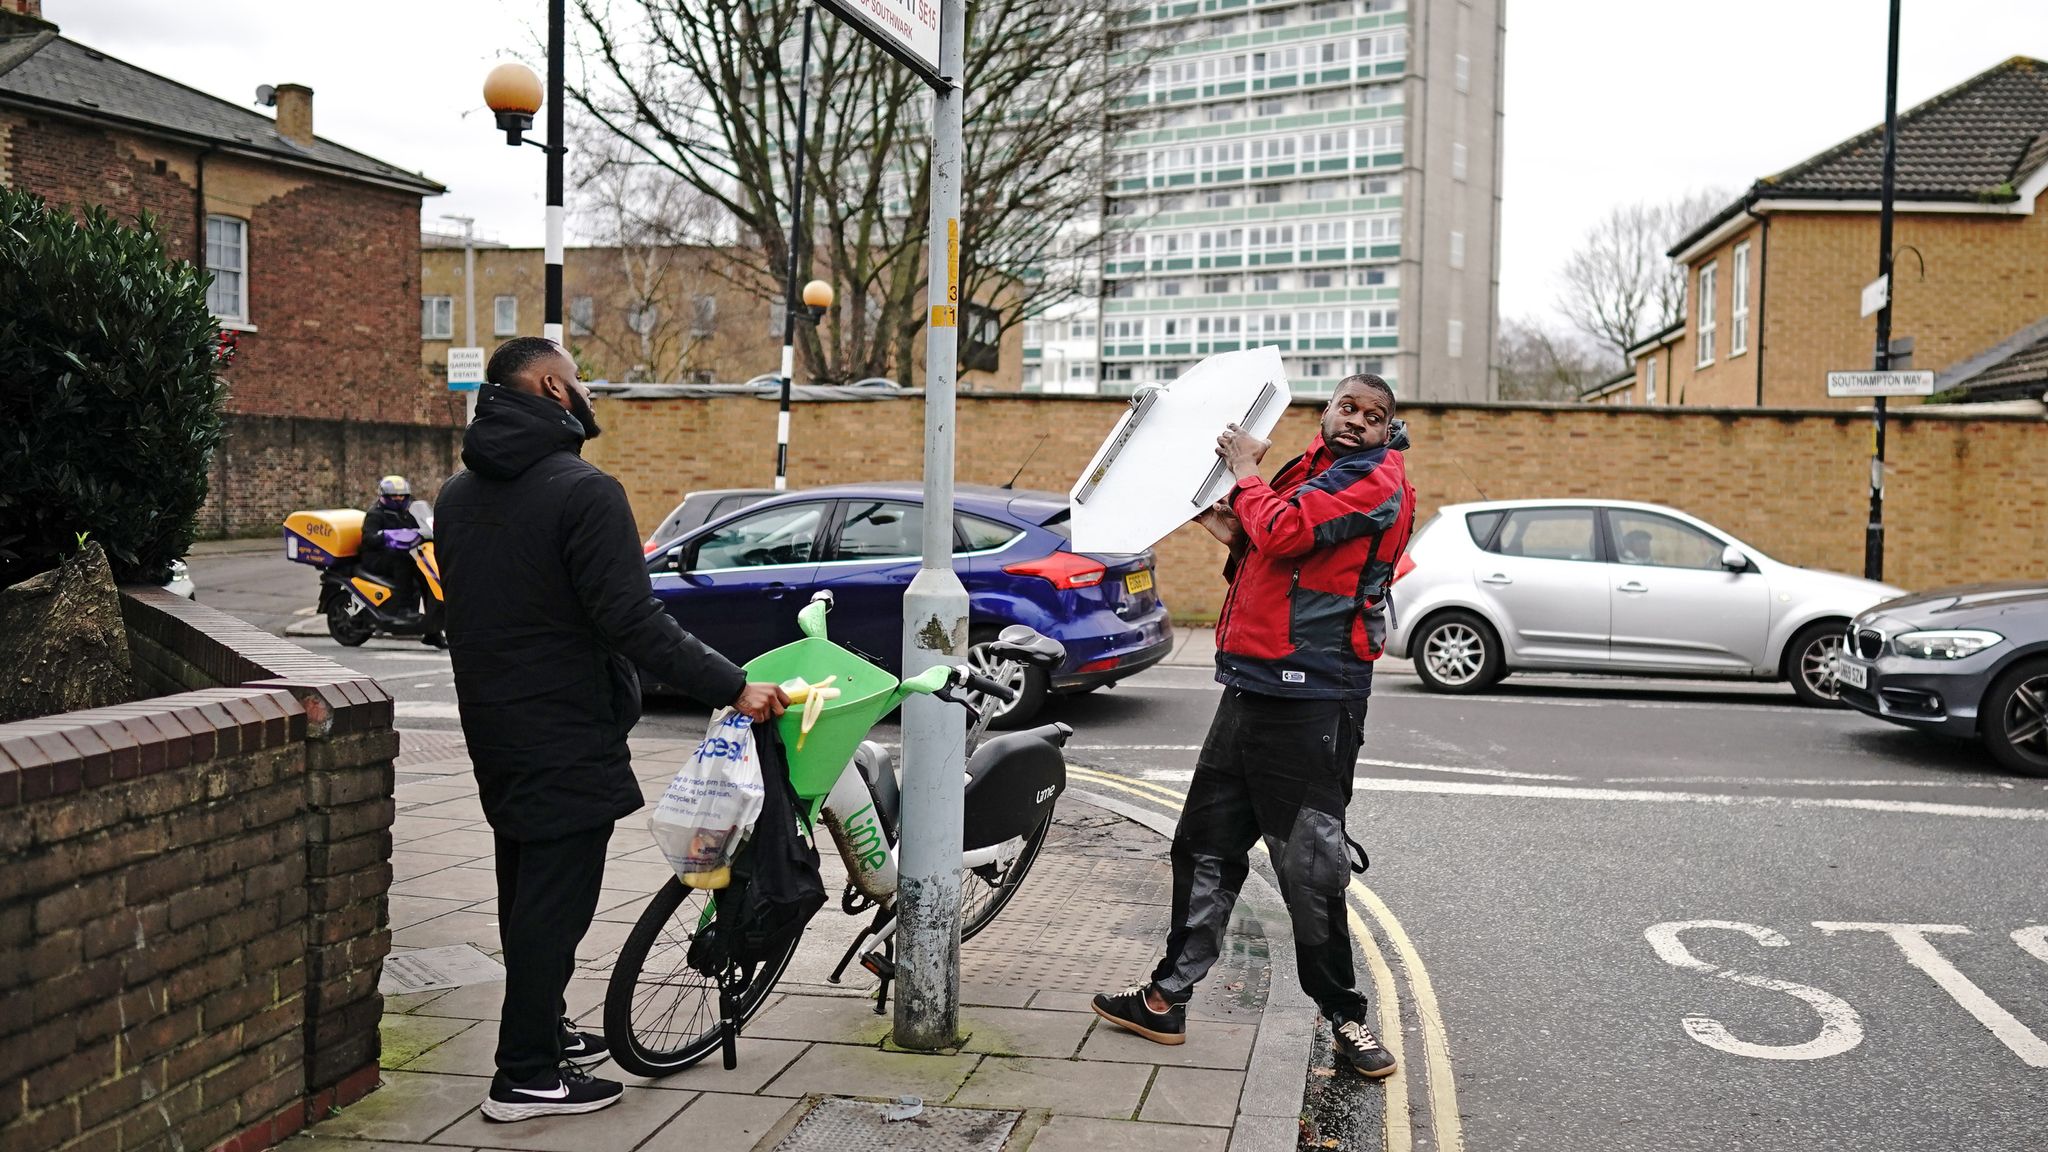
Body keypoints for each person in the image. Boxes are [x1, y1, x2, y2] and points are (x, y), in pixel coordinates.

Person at [436, 336, 790, 1123]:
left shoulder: (457, 495)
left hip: (495, 723)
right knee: (554, 905)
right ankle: (525, 1074)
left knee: (524, 894)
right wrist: (735, 687)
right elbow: (633, 619)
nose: (589, 392)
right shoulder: (584, 491)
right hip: (565, 726)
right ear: (553, 387)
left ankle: (542, 1031)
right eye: (580, 380)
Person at [1093, 373, 1415, 1080]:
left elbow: (1289, 530)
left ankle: (1346, 1018)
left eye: (1374, 415)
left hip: (1313, 699)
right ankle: (1165, 999)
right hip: (1249, 690)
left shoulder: (1375, 481)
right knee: (1204, 848)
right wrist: (1213, 509)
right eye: (1347, 407)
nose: (1358, 421)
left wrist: (1244, 472)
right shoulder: (1312, 467)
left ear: (1388, 430)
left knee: (1310, 866)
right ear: (1328, 411)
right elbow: (1261, 543)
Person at [359, 475, 443, 646]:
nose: (398, 499)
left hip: (398, 555)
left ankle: (432, 628)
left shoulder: (405, 514)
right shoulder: (376, 514)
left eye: (402, 496)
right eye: (394, 496)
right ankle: (403, 610)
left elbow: (420, 528)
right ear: (384, 496)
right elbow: (369, 539)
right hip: (375, 557)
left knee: (424, 574)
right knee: (405, 564)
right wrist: (384, 536)